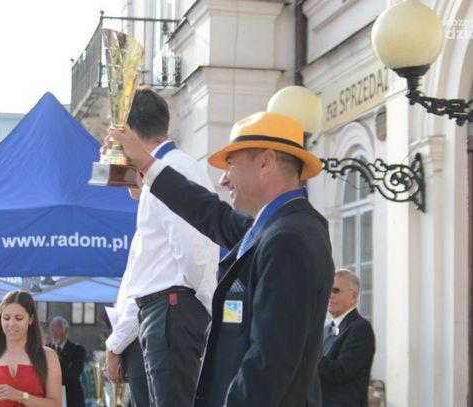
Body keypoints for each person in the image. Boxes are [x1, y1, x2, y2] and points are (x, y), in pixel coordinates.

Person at [108, 110, 335, 406]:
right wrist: (145, 163)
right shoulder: (278, 228)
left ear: (266, 162)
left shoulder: (288, 238)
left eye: (230, 164)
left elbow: (269, 362)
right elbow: (209, 212)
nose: (223, 179)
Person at [103, 86, 220, 407]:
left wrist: (206, 307)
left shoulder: (173, 170)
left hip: (172, 310)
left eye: (116, 134)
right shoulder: (165, 171)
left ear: (128, 132)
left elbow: (192, 254)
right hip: (164, 311)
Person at [0, 290, 62, 407]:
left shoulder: (48, 356)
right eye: (6, 318)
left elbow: (56, 404)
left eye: (18, 318)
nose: (11, 324)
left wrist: (22, 396)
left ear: (31, 319)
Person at [318, 269, 376, 407]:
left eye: (336, 290)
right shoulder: (327, 328)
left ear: (353, 296)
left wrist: (309, 356)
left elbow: (341, 372)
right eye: (328, 290)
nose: (330, 295)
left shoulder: (360, 328)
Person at [47, 316, 86, 407]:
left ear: (66, 330)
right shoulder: (46, 349)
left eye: (57, 330)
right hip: (50, 394)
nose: (54, 333)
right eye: (52, 330)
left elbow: (74, 372)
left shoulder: (77, 350)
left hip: (71, 396)